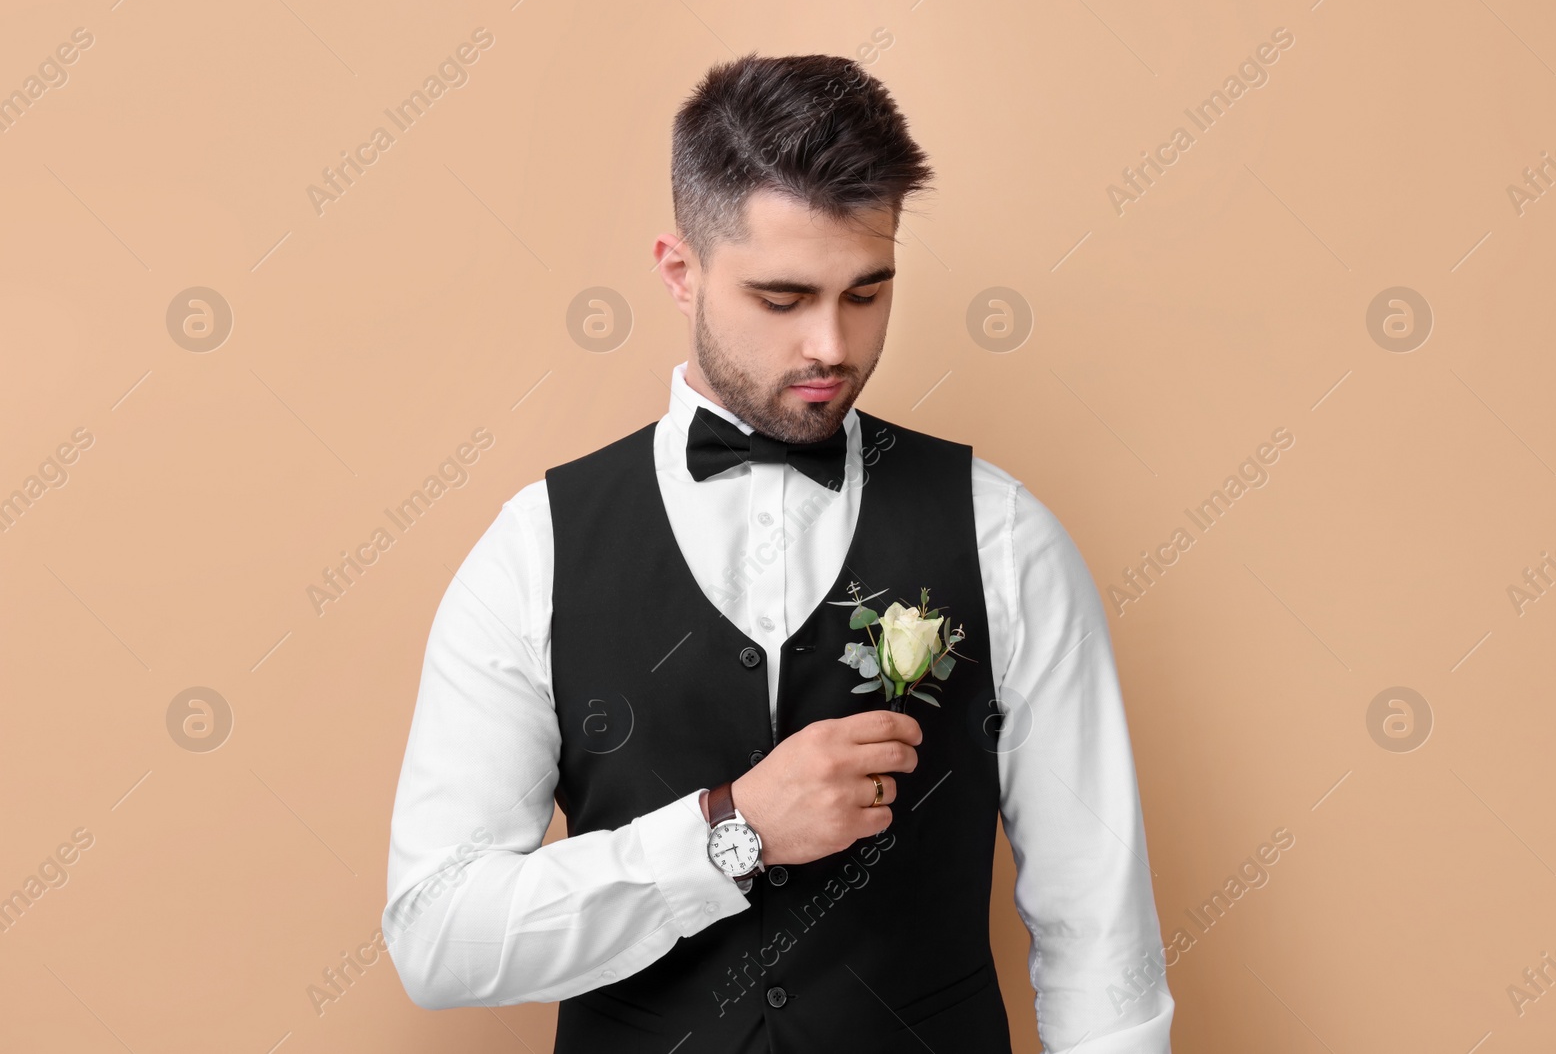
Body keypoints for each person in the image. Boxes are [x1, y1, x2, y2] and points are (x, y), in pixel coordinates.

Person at [383, 51, 1173, 1053]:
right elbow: (437, 934)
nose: (832, 346)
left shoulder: (1001, 533)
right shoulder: (534, 549)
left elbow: (1099, 932)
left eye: (867, 291)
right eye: (783, 297)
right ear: (680, 270)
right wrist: (729, 829)